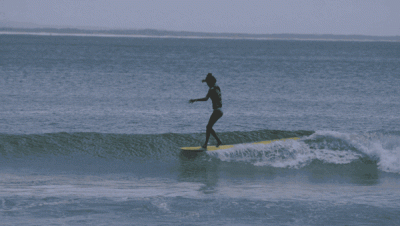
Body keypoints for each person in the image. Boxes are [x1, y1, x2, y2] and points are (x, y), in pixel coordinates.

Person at [189, 73, 223, 148]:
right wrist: (206, 80)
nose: (207, 84)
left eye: (207, 83)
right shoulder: (217, 87)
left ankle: (206, 144)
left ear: (210, 82)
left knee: (208, 127)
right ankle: (218, 141)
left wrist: (195, 100)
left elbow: (206, 99)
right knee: (209, 127)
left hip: (217, 111)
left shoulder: (211, 89)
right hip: (220, 111)